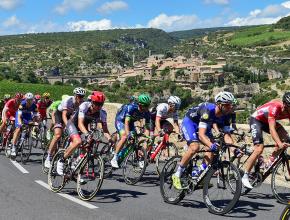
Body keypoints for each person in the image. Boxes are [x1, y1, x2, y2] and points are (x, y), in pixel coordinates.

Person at [172, 91, 235, 190]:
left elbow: (227, 135)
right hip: (190, 122)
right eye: (227, 105)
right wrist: (211, 145)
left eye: (230, 105)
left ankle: (198, 173)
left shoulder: (226, 115)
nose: (229, 107)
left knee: (211, 151)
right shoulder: (208, 110)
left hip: (205, 125)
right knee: (195, 147)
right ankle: (177, 174)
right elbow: (201, 135)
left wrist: (233, 150)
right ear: (219, 105)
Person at [242, 92, 290, 189]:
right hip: (257, 120)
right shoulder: (275, 107)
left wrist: (283, 141)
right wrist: (279, 143)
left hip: (267, 121)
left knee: (287, 139)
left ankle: (269, 161)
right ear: (284, 104)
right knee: (259, 148)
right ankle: (245, 175)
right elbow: (272, 129)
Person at [56, 91, 110, 175]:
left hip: (84, 127)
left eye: (101, 104)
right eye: (97, 103)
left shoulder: (102, 113)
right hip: (74, 124)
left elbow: (105, 130)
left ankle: (75, 165)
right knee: (78, 141)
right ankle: (61, 160)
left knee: (88, 147)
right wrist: (87, 134)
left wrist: (110, 139)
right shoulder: (84, 106)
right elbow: (80, 124)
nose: (99, 106)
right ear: (92, 102)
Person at [44, 88, 86, 169]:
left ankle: (65, 149)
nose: (81, 98)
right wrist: (68, 125)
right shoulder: (68, 100)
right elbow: (64, 115)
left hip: (70, 117)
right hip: (59, 115)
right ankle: (48, 157)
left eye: (82, 97)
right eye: (79, 96)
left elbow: (77, 117)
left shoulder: (82, 103)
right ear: (75, 96)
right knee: (58, 135)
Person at [110, 94, 152, 168]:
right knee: (125, 136)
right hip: (121, 121)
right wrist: (128, 134)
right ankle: (115, 157)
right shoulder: (131, 107)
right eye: (145, 106)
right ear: (139, 104)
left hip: (131, 122)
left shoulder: (147, 112)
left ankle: (137, 158)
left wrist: (148, 137)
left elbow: (147, 126)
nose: (146, 108)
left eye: (147, 106)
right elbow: (126, 123)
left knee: (134, 140)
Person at [10, 93, 39, 157]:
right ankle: (13, 148)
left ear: (32, 100)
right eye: (28, 100)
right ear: (25, 99)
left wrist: (36, 124)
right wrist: (20, 124)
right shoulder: (22, 104)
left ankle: (23, 138)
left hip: (27, 116)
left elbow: (35, 117)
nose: (29, 101)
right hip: (20, 116)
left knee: (30, 125)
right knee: (18, 129)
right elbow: (19, 116)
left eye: (31, 100)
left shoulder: (34, 106)